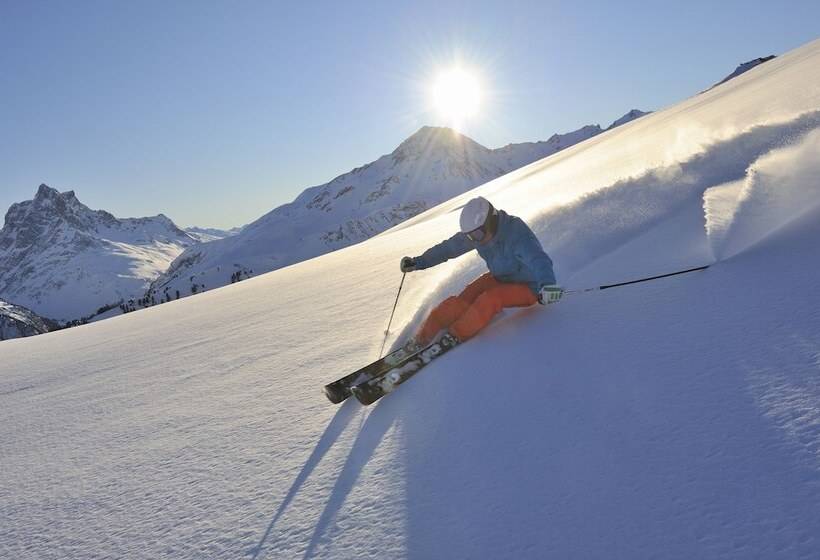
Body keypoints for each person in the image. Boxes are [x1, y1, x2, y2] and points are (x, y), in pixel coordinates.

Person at [400, 196, 562, 347]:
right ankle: (422, 338)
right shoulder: (478, 234)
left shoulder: (516, 234)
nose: (474, 240)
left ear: (491, 222)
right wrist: (418, 262)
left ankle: (454, 335)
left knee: (490, 299)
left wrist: (547, 286)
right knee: (464, 299)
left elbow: (538, 259)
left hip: (529, 286)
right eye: (470, 237)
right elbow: (448, 249)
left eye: (476, 234)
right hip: (500, 278)